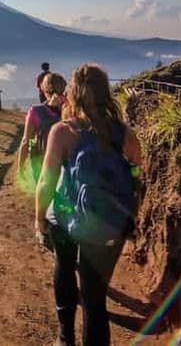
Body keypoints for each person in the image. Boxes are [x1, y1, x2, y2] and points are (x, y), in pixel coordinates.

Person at [35, 63, 143, 346]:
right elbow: (137, 175)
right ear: (106, 93)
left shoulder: (62, 132)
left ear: (72, 94)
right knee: (95, 301)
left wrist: (39, 220)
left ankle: (65, 337)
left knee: (64, 266)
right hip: (108, 223)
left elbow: (46, 182)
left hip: (65, 216)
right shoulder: (125, 134)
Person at [17, 72, 67, 174]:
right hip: (66, 167)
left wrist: (21, 168)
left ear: (43, 89)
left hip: (42, 166)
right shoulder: (72, 109)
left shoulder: (35, 111)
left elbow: (25, 141)